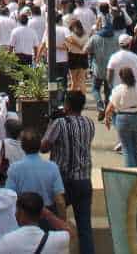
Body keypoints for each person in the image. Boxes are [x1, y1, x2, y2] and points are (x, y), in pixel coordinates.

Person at [40, 90, 95, 254]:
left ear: (67, 105)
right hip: (84, 179)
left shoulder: (59, 123)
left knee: (52, 220)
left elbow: (43, 147)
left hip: (62, 181)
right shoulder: (89, 123)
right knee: (84, 226)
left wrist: (51, 123)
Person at [4, 130, 64, 217]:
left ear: (22, 146)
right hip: (47, 215)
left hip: (24, 215)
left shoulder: (14, 168)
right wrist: (62, 221)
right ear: (40, 145)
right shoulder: (53, 167)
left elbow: (9, 196)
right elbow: (60, 200)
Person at [0, 190, 72, 254]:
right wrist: (48, 214)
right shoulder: (57, 239)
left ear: (21, 213)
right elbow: (70, 231)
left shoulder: (7, 241)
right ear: (41, 214)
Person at [105, 67, 137, 169]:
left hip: (123, 118)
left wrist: (107, 119)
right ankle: (136, 170)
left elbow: (110, 108)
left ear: (121, 77)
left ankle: (131, 171)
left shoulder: (118, 89)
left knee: (127, 148)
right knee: (135, 147)